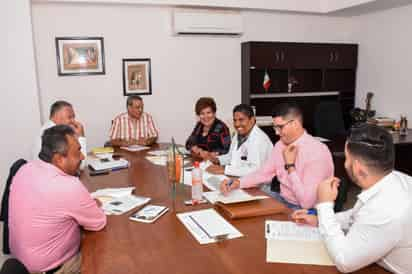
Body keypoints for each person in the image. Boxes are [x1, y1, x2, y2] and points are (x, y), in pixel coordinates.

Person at [291, 124, 412, 273]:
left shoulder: (385, 209)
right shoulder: (395, 179)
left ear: (357, 167)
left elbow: (344, 262)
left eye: (346, 158)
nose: (345, 163)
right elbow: (358, 215)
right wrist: (320, 219)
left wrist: (324, 204)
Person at [9, 125, 106, 274]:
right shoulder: (68, 186)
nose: (82, 157)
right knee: (106, 255)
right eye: (78, 152)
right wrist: (93, 205)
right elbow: (98, 223)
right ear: (59, 159)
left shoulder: (25, 169)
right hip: (54, 269)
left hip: (20, 264)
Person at [220, 102, 334, 209]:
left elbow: (307, 202)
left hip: (305, 210)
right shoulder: (280, 145)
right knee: (238, 208)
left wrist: (290, 166)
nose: (276, 132)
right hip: (282, 199)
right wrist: (238, 183)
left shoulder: (317, 151)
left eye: (280, 127)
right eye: (275, 127)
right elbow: (263, 173)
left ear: (294, 124)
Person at [206, 104, 273, 177]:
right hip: (238, 178)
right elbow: (232, 157)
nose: (237, 124)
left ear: (252, 120)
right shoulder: (239, 134)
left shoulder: (259, 139)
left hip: (257, 186)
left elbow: (255, 170)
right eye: (235, 120)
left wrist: (225, 169)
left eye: (241, 120)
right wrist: (216, 160)